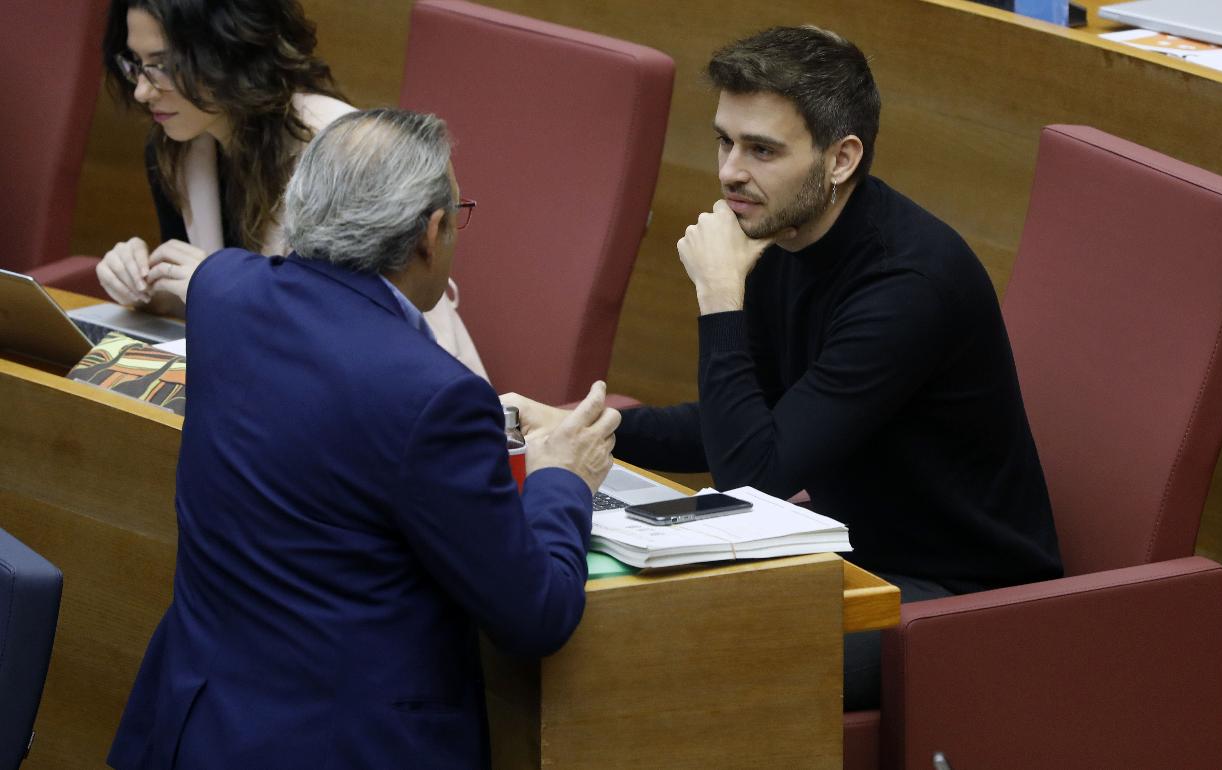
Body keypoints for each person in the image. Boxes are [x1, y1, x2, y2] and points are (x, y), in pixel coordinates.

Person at [503, 25, 1062, 710]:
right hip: (843, 558)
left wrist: (718, 298)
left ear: (840, 159)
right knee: (596, 618)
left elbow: (756, 476)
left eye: (762, 150)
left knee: (658, 658)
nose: (730, 172)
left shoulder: (908, 286)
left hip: (957, 603)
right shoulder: (779, 232)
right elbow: (742, 429)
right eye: (725, 141)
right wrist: (578, 426)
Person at [107, 108, 620, 769]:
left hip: (193, 727)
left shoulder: (223, 293)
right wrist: (561, 479)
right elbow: (534, 617)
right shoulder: (435, 395)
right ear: (430, 233)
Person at [97, 0, 486, 376]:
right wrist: (151, 285)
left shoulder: (342, 154)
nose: (141, 92)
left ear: (232, 49)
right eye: (137, 64)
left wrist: (223, 286)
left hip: (396, 401)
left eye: (163, 66)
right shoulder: (175, 147)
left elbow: (366, 328)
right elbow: (211, 311)